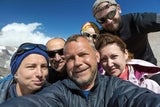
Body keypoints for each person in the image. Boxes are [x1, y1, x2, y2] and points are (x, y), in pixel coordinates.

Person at [2, 34, 160, 107]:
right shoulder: (58, 90)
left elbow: (137, 98)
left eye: (83, 54)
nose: (77, 63)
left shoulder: (115, 86)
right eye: (70, 58)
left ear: (97, 57)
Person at [92, 0, 160, 65]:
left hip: (148, 68)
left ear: (118, 9)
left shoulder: (136, 21)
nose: (109, 21)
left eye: (111, 14)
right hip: (120, 71)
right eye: (102, 20)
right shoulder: (101, 35)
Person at [95, 33, 160, 93]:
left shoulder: (150, 81)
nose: (109, 64)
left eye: (114, 57)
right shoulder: (100, 86)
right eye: (104, 59)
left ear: (125, 54)